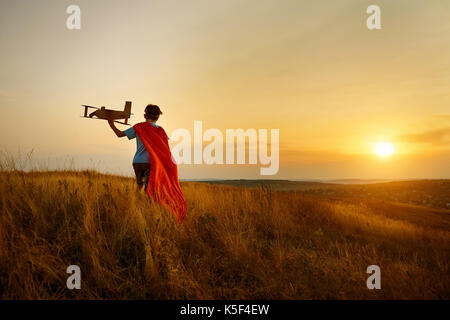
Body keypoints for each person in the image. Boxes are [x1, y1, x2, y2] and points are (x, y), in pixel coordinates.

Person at [107, 104, 168, 191]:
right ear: (158, 117)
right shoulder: (160, 130)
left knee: (139, 187)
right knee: (150, 189)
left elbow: (119, 134)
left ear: (144, 115)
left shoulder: (138, 127)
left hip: (137, 162)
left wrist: (111, 123)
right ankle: (146, 204)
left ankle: (135, 202)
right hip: (151, 162)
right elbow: (164, 148)